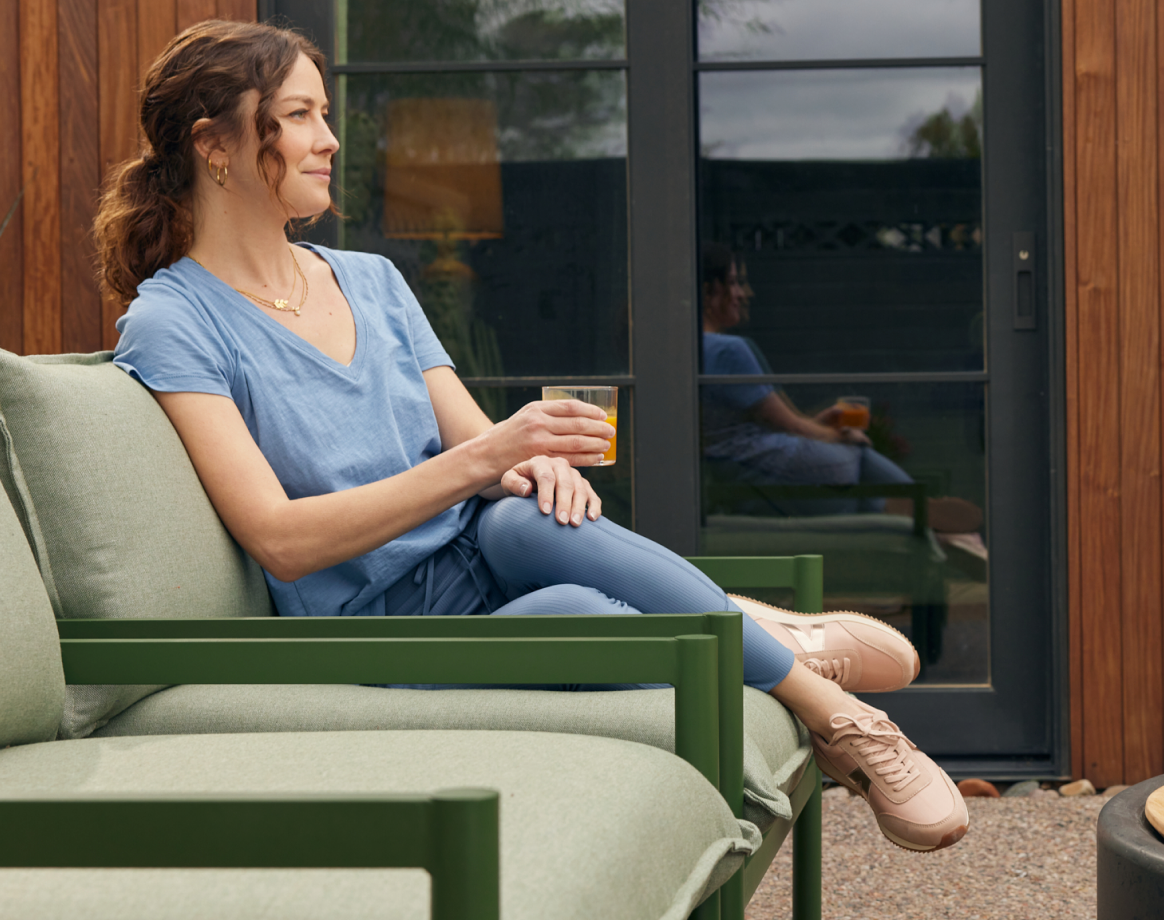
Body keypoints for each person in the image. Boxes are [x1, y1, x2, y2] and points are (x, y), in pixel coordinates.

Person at [94, 19, 968, 852]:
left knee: (525, 519)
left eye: (325, 114)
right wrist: (489, 456)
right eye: (298, 117)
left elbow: (480, 459)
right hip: (381, 622)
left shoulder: (371, 280)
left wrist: (537, 470)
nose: (328, 139)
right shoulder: (175, 322)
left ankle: (845, 721)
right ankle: (762, 632)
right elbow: (283, 543)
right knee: (579, 614)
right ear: (213, 144)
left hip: (485, 547)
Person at [700, 243, 982, 532]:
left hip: (743, 474)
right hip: (770, 467)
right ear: (709, 291)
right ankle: (922, 507)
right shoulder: (729, 350)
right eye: (733, 283)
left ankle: (916, 515)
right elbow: (791, 425)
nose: (743, 294)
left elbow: (770, 420)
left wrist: (821, 426)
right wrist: (839, 437)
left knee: (857, 494)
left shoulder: (689, 351)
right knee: (858, 453)